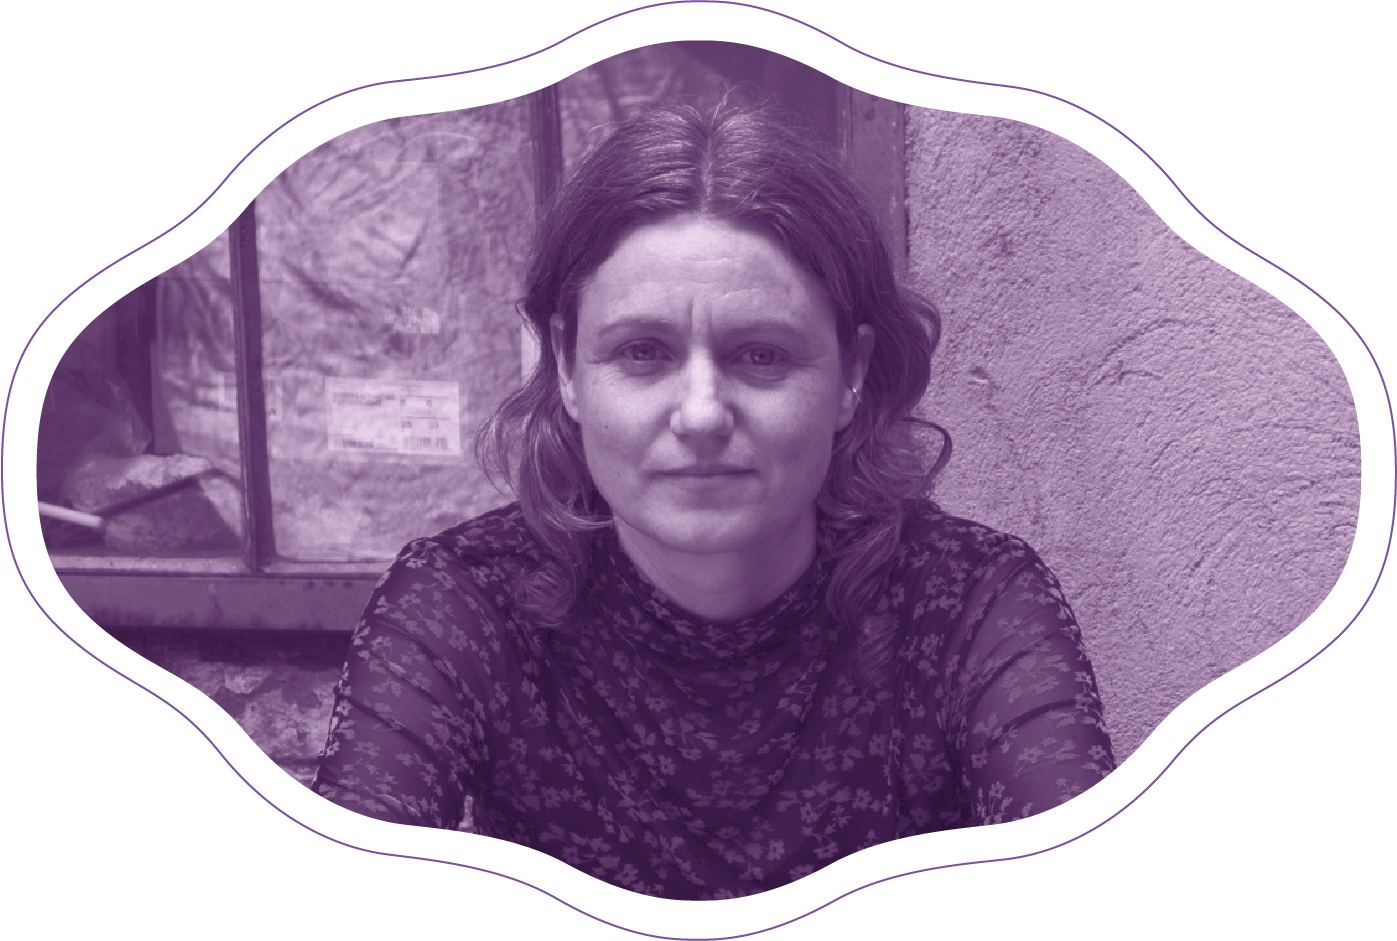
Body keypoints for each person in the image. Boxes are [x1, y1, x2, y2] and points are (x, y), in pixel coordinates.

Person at [312, 97, 1115, 900]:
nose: (700, 413)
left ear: (853, 373)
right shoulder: (466, 604)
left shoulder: (969, 603)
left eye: (760, 354)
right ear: (565, 364)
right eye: (642, 352)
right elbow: (338, 899)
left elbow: (1089, 896)